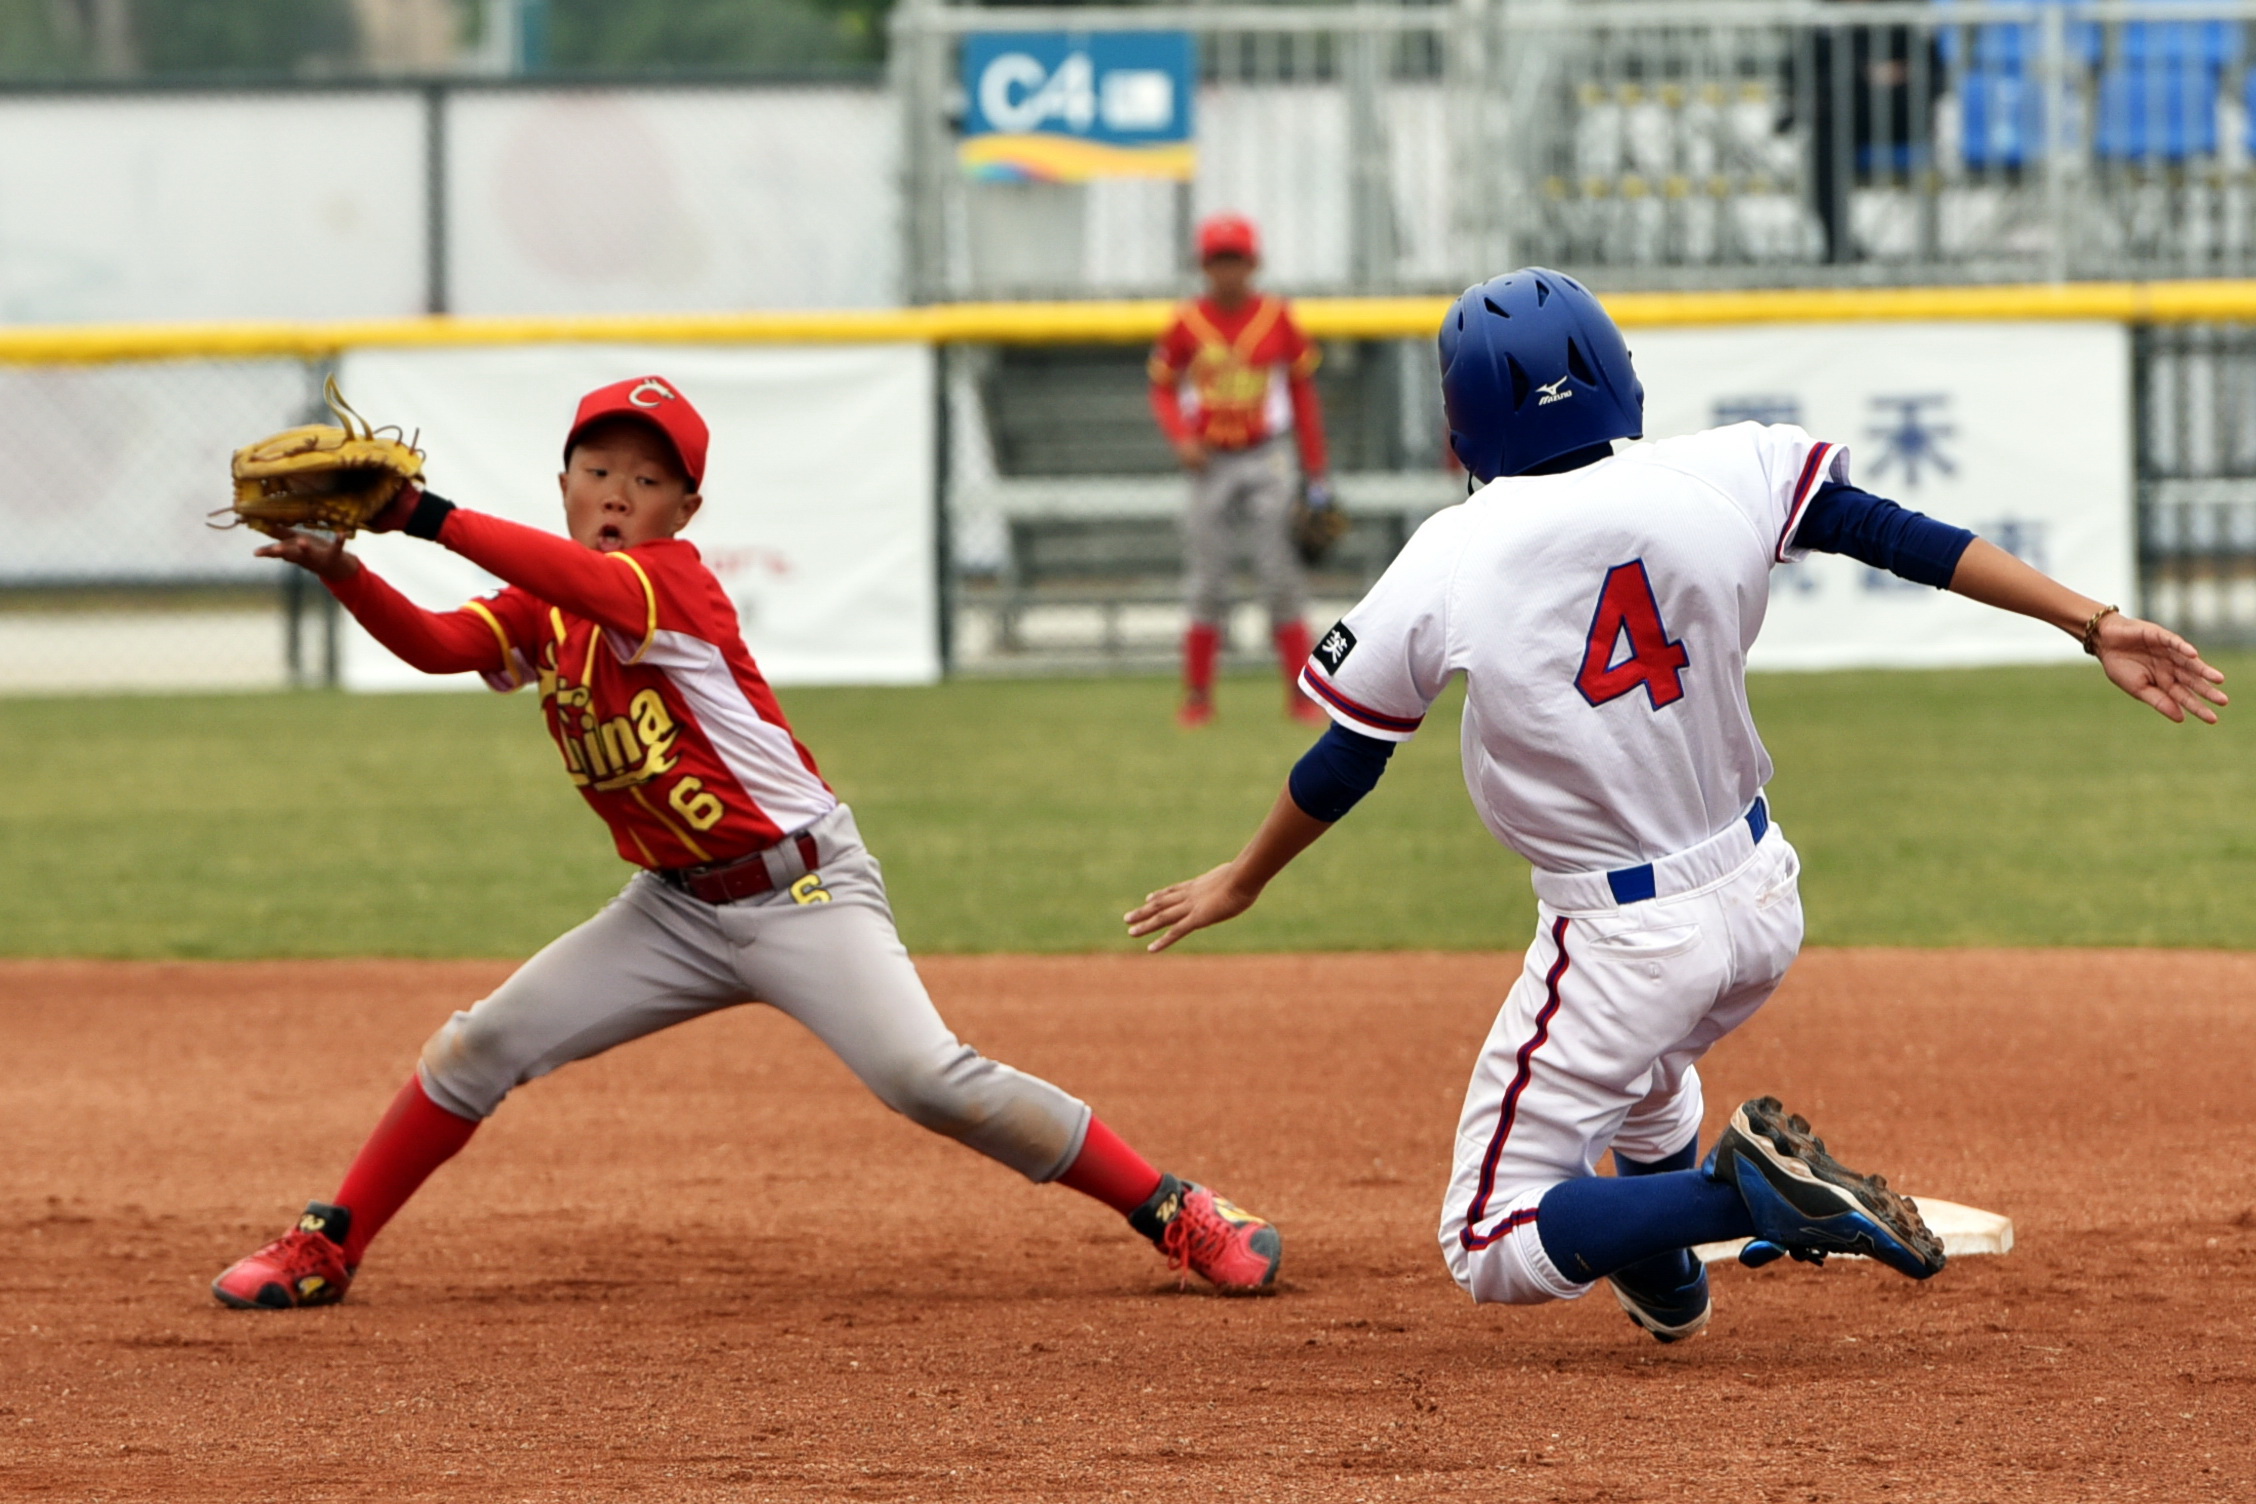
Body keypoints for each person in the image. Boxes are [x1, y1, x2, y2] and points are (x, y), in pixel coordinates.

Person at [1126, 269, 2225, 1342]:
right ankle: (1672, 1281)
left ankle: (1735, 1198)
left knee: (1487, 1238)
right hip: (1757, 897)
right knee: (1647, 1086)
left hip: (1619, 932)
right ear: (1623, 382)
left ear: (1461, 433)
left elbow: (1346, 760)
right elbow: (1900, 535)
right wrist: (2090, 622)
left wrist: (1244, 876)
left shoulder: (1451, 553)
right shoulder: (1723, 469)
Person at [212, 374, 1281, 1311]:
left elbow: (586, 583)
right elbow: (448, 645)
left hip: (803, 892)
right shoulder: (547, 609)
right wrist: (346, 572)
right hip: (673, 908)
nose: (618, 490)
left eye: (648, 476)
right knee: (477, 1044)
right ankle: (330, 1244)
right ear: (564, 487)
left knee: (927, 1077)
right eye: (596, 468)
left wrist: (417, 512)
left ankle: (1176, 1208)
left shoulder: (671, 582)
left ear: (685, 507)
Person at [1149, 212, 1334, 728]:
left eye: (1236, 259)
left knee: (1281, 576)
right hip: (1210, 459)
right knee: (1207, 579)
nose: (1228, 270)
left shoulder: (1275, 316)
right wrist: (1181, 438)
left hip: (1266, 454)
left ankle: (1301, 696)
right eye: (1218, 260)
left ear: (1253, 264)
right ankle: (1197, 697)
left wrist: (1316, 471)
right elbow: (1162, 387)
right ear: (1204, 266)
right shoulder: (1187, 323)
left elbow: (1302, 393)